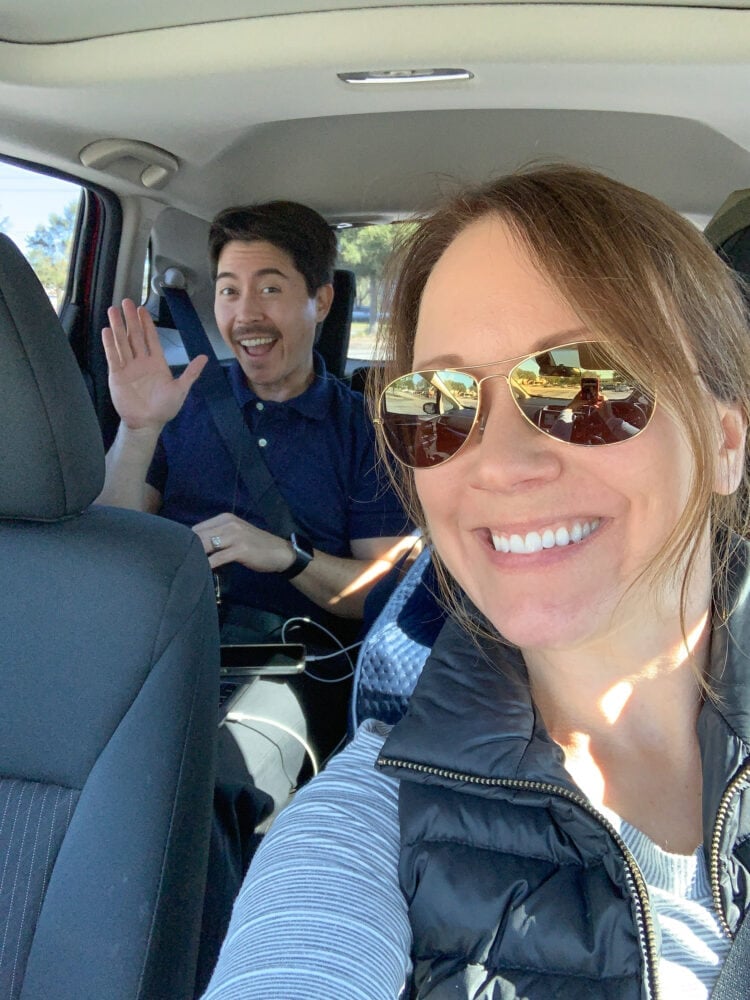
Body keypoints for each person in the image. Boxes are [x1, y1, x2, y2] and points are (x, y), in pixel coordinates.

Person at [201, 164, 750, 1000]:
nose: (495, 464)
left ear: (725, 440)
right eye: (440, 403)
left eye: (584, 383)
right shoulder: (372, 820)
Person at [97, 200, 410, 645]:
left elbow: (382, 592)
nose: (245, 315)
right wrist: (139, 428)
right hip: (160, 639)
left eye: (269, 290)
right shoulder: (178, 399)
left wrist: (288, 556)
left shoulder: (366, 429)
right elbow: (109, 543)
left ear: (320, 301)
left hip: (289, 658)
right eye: (229, 291)